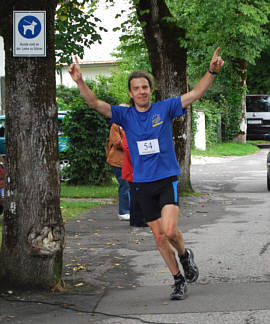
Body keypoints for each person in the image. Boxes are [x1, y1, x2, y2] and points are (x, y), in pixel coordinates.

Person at [68, 48, 224, 300]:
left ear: (151, 90)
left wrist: (211, 71)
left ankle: (185, 255)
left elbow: (195, 93)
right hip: (141, 183)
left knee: (171, 230)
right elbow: (94, 103)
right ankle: (177, 280)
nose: (142, 91)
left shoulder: (164, 109)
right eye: (137, 88)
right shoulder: (125, 115)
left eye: (145, 87)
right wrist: (80, 82)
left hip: (166, 179)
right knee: (159, 236)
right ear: (130, 93)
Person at [121, 133, 147, 227]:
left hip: (135, 168)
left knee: (136, 195)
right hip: (133, 169)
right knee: (136, 195)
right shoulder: (129, 131)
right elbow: (127, 148)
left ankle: (137, 220)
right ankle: (138, 220)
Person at [106, 123, 130, 221]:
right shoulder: (116, 126)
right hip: (118, 161)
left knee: (132, 186)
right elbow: (117, 142)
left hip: (130, 161)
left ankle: (130, 210)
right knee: (125, 185)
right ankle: (124, 212)